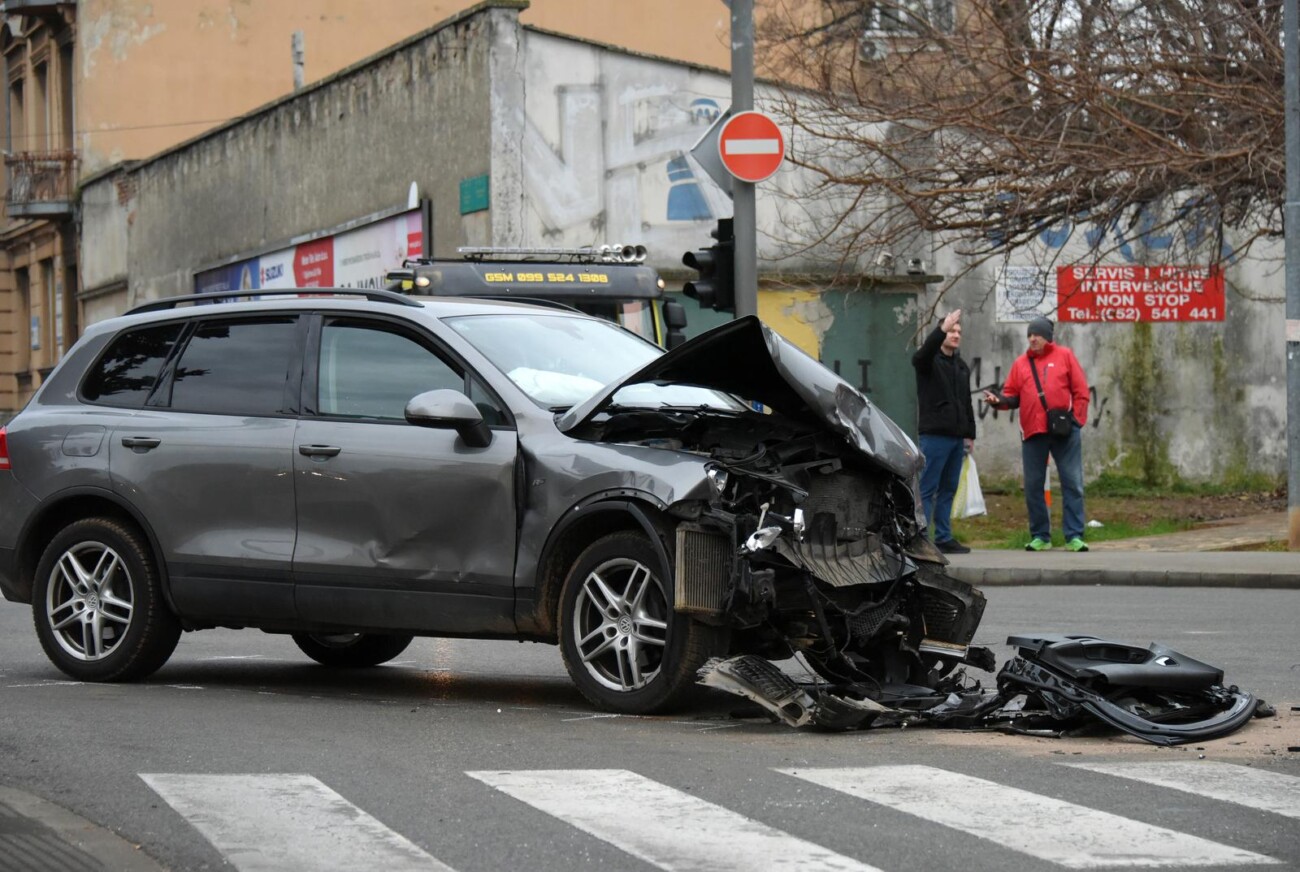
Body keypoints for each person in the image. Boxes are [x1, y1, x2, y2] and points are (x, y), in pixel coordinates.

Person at [983, 316, 1090, 552]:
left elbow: (1081, 391)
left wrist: (1077, 421)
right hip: (1032, 432)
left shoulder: (1065, 356)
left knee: (1072, 483)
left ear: (1047, 337)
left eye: (1037, 334)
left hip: (1064, 432)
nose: (1032, 338)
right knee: (1033, 486)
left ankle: (1074, 536)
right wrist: (997, 400)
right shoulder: (1021, 364)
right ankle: (1041, 535)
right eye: (1030, 335)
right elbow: (1011, 395)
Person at [912, 308, 977, 554]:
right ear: (941, 334)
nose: (956, 335)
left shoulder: (960, 366)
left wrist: (969, 434)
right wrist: (941, 328)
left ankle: (943, 537)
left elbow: (966, 402)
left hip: (956, 437)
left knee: (948, 489)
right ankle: (921, 538)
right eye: (951, 330)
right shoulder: (929, 363)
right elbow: (920, 357)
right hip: (934, 436)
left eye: (959, 331)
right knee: (927, 488)